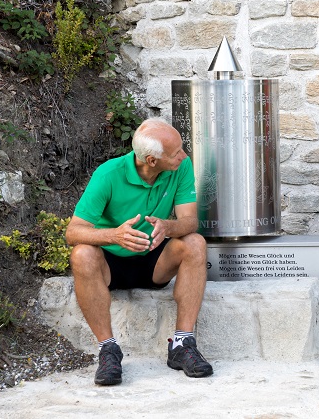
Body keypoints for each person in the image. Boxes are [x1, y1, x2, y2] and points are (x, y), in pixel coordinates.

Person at [65, 117, 213, 385]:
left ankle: (182, 344)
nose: (184, 155)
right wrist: (114, 235)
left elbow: (190, 222)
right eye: (176, 152)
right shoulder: (108, 175)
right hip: (110, 265)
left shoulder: (181, 167)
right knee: (82, 254)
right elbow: (73, 232)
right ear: (151, 161)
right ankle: (108, 349)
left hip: (155, 261)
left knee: (194, 242)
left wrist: (168, 226)